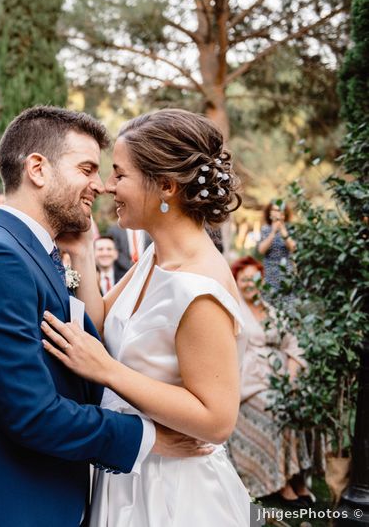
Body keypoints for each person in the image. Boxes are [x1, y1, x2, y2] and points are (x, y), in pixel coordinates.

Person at [0, 107, 205, 526]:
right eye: (87, 168)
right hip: (6, 505)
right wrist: (151, 437)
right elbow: (33, 413)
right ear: (37, 169)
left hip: (49, 495)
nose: (100, 184)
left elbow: (81, 360)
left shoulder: (33, 252)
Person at [40, 108, 250, 525]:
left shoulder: (198, 288)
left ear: (166, 186)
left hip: (173, 489)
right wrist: (81, 251)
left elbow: (217, 418)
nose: (105, 187)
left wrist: (108, 372)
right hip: (131, 468)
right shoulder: (156, 256)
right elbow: (100, 326)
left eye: (120, 175)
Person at [228, 256, 315, 504]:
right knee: (274, 409)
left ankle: (296, 475)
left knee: (296, 407)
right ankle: (280, 483)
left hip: (279, 378)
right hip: (250, 382)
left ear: (262, 280)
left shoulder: (272, 310)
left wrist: (290, 377)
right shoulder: (234, 312)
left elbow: (293, 345)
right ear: (236, 281)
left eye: (254, 278)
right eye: (243, 279)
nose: (249, 284)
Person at [257, 201, 296, 300]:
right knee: (270, 301)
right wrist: (273, 232)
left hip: (286, 271)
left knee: (288, 301)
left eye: (279, 210)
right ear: (269, 213)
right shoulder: (265, 229)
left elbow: (293, 248)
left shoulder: (290, 228)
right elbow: (261, 250)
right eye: (274, 210)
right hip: (270, 272)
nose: (276, 212)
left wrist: (282, 229)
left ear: (284, 213)